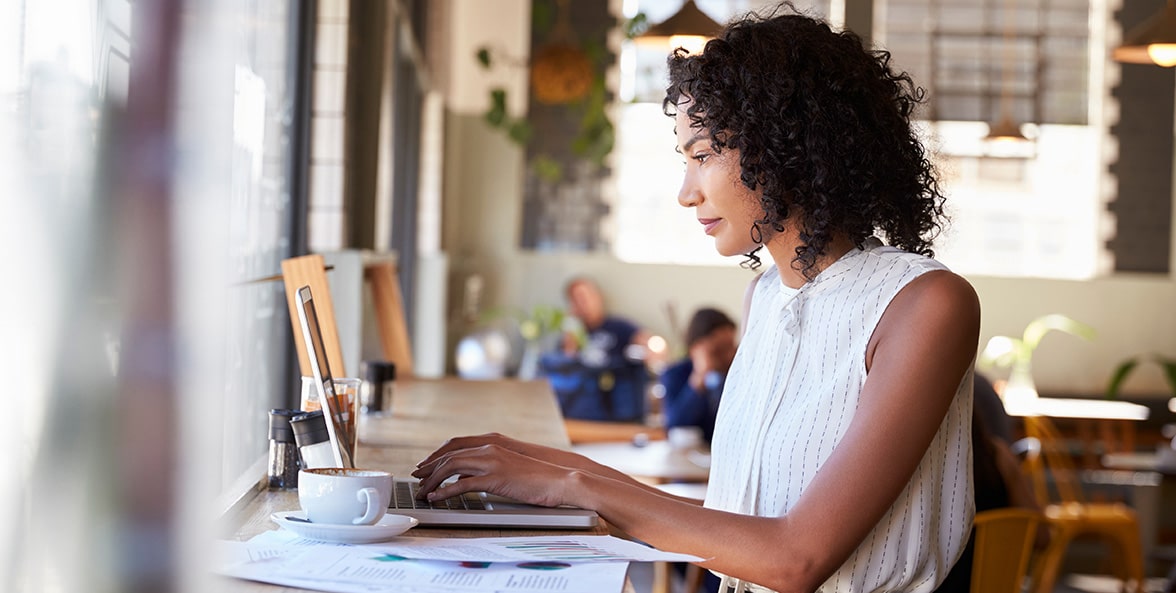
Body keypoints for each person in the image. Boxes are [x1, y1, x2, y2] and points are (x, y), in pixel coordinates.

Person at [414, 5, 980, 592]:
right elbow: (734, 527)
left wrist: (572, 486)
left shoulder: (925, 304)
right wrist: (545, 464)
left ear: (787, 146)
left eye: (703, 155)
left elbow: (796, 558)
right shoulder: (764, 297)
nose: (687, 193)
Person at [538, 277, 652, 423]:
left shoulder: (620, 327)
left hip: (619, 406)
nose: (583, 303)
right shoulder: (573, 333)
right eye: (576, 299)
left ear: (598, 297)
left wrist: (648, 347)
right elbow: (566, 368)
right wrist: (571, 330)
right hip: (584, 410)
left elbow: (648, 344)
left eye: (585, 296)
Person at [660, 307, 738, 445]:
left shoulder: (738, 374)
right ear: (697, 348)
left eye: (732, 347)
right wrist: (700, 376)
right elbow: (676, 424)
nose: (730, 355)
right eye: (720, 349)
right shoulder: (675, 374)